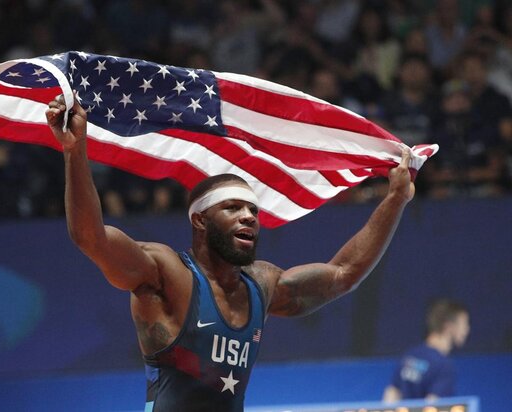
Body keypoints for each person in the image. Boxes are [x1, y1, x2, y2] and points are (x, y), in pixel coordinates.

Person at [46, 94, 415, 412]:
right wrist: (75, 151)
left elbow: (342, 275)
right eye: (233, 208)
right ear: (201, 220)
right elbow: (91, 238)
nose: (249, 217)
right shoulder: (165, 272)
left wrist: (395, 199)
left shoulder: (262, 284)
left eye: (253, 210)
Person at [383, 299, 470, 401]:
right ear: (449, 327)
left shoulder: (410, 355)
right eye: (464, 324)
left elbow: (391, 396)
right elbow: (433, 406)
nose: (467, 330)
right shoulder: (444, 366)